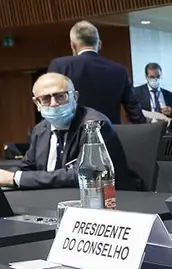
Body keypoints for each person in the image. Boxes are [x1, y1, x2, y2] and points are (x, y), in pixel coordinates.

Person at [0, 73, 136, 190]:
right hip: (51, 199)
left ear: (75, 97)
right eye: (46, 99)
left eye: (60, 96)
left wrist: (16, 178)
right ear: (37, 103)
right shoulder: (40, 129)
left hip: (104, 200)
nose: (53, 103)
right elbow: (27, 167)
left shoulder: (94, 126)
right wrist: (8, 177)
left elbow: (85, 175)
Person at [48, 21, 145, 125]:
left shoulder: (60, 66)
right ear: (99, 44)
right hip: (110, 135)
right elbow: (134, 110)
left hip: (74, 136)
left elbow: (50, 105)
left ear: (73, 45)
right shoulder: (120, 70)